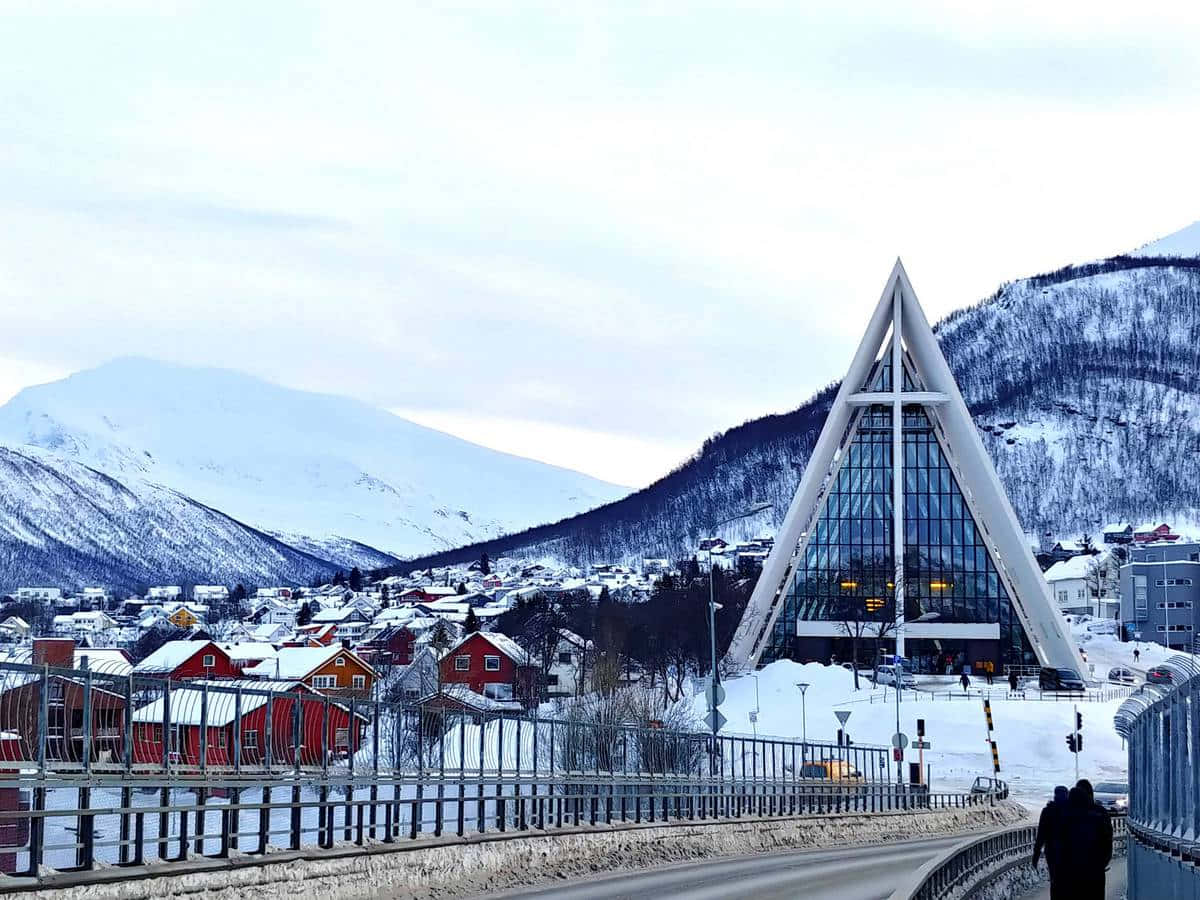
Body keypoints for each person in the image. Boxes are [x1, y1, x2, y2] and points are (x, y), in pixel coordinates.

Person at [1058, 780, 1114, 899]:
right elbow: (1107, 840)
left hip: (1070, 871)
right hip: (1094, 870)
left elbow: (1058, 842)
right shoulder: (1100, 813)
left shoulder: (1065, 813)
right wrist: (1102, 863)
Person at [1032, 786, 1069, 899]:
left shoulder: (1048, 811)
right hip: (1070, 852)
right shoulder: (1072, 810)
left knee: (1055, 881)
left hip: (1052, 852)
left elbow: (1041, 835)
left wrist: (1036, 855)